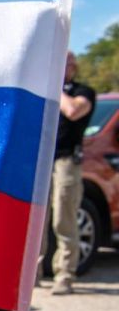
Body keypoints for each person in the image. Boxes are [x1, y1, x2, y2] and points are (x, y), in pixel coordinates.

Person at [39, 51, 96, 295]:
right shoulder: (44, 91)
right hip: (42, 161)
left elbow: (72, 111)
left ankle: (64, 274)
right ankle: (34, 273)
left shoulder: (82, 92)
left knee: (64, 217)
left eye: (68, 61)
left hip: (66, 162)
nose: (64, 65)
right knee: (37, 221)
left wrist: (55, 88)